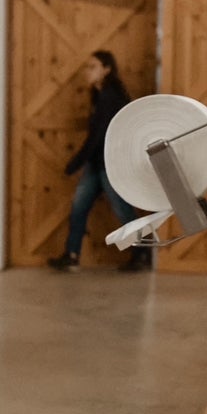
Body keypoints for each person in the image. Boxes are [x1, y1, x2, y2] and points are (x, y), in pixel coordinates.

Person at [48, 49, 144, 272]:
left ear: (107, 70)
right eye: (86, 67)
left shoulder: (111, 97)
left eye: (93, 67)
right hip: (98, 163)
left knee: (122, 210)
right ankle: (71, 254)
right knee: (79, 207)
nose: (87, 72)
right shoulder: (100, 95)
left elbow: (98, 136)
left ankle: (141, 254)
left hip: (110, 164)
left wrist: (75, 163)